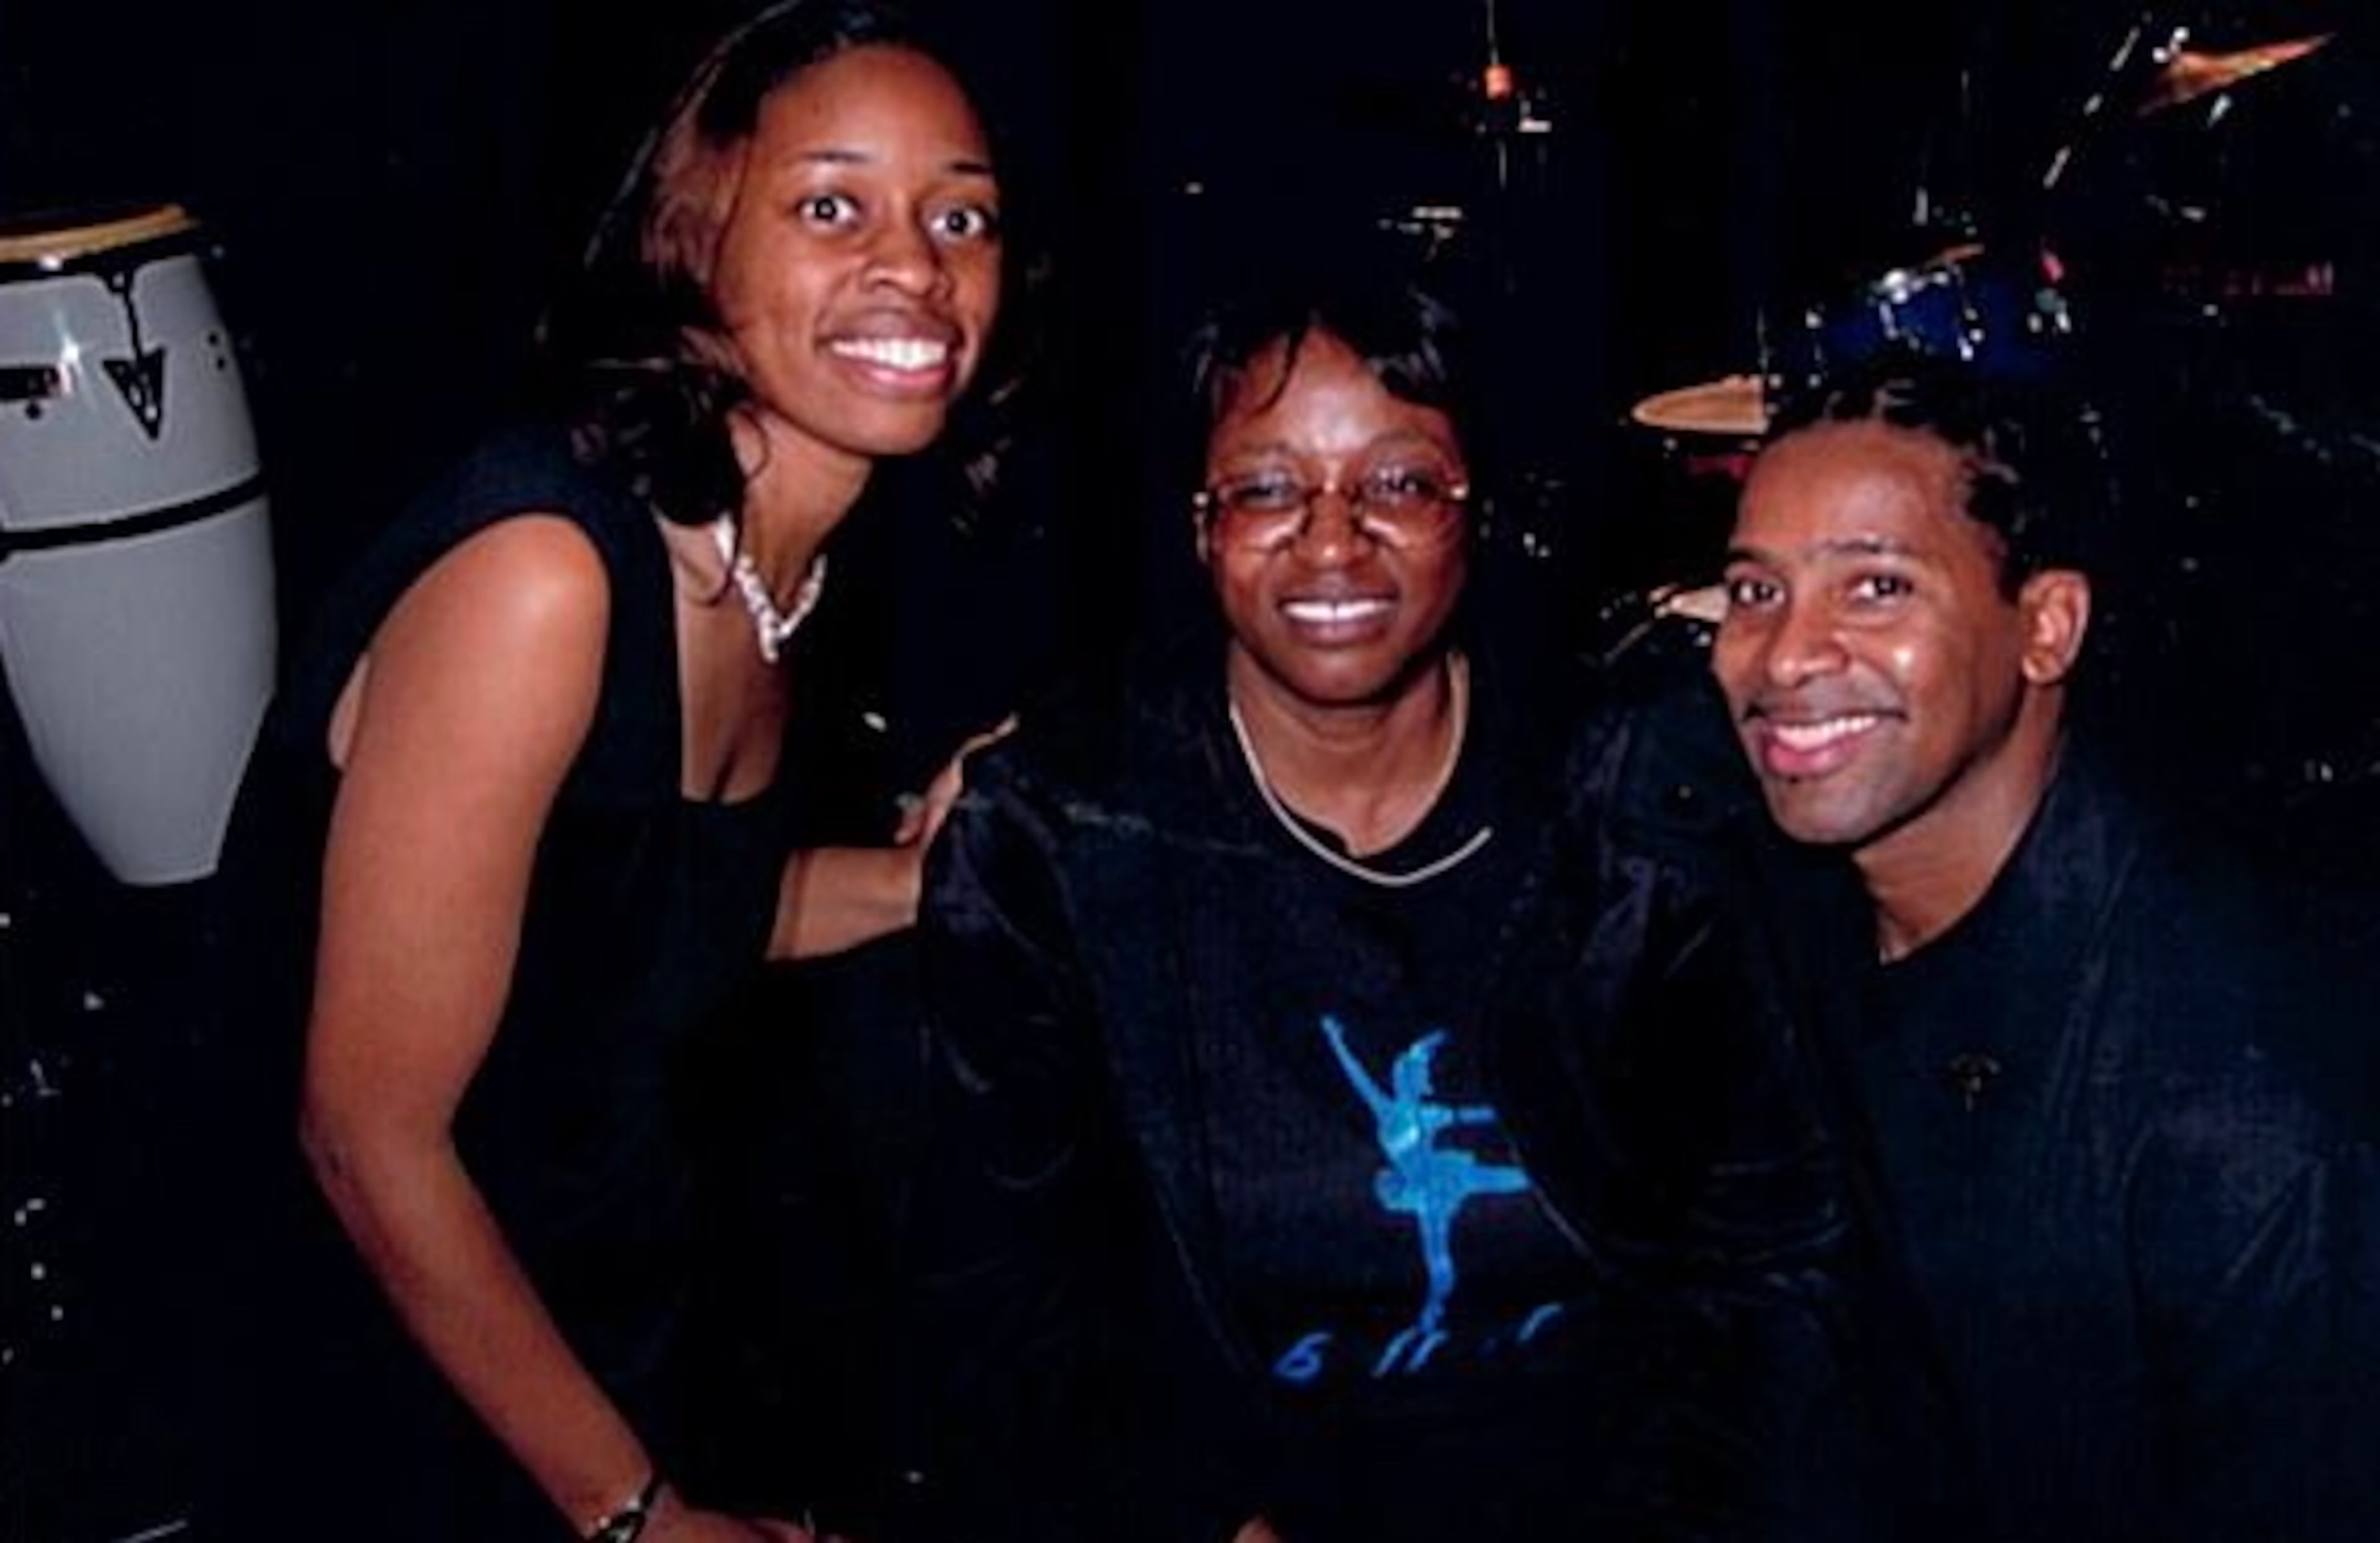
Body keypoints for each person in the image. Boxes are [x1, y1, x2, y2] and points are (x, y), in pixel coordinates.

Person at [200, 3, 1010, 1537]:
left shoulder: (772, 574)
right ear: (692, 236)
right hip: (409, 1390)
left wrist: (922, 879)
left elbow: (640, 933)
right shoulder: (548, 576)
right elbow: (366, 1131)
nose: (915, 264)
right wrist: (634, 1512)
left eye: (958, 215)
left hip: (595, 1335)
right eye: (831, 205)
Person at [897, 262, 1844, 1542]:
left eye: (1398, 483)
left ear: (1477, 513)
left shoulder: (1634, 810)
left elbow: (1765, 1256)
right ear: (1201, 527)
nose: (1332, 539)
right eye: (1268, 488)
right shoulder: (1059, 840)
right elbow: (997, 1303)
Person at [1709, 351, 2380, 1541]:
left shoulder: (2238, 1108)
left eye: (1875, 588)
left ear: (2047, 627)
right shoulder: (1774, 919)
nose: (1784, 658)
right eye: (1755, 592)